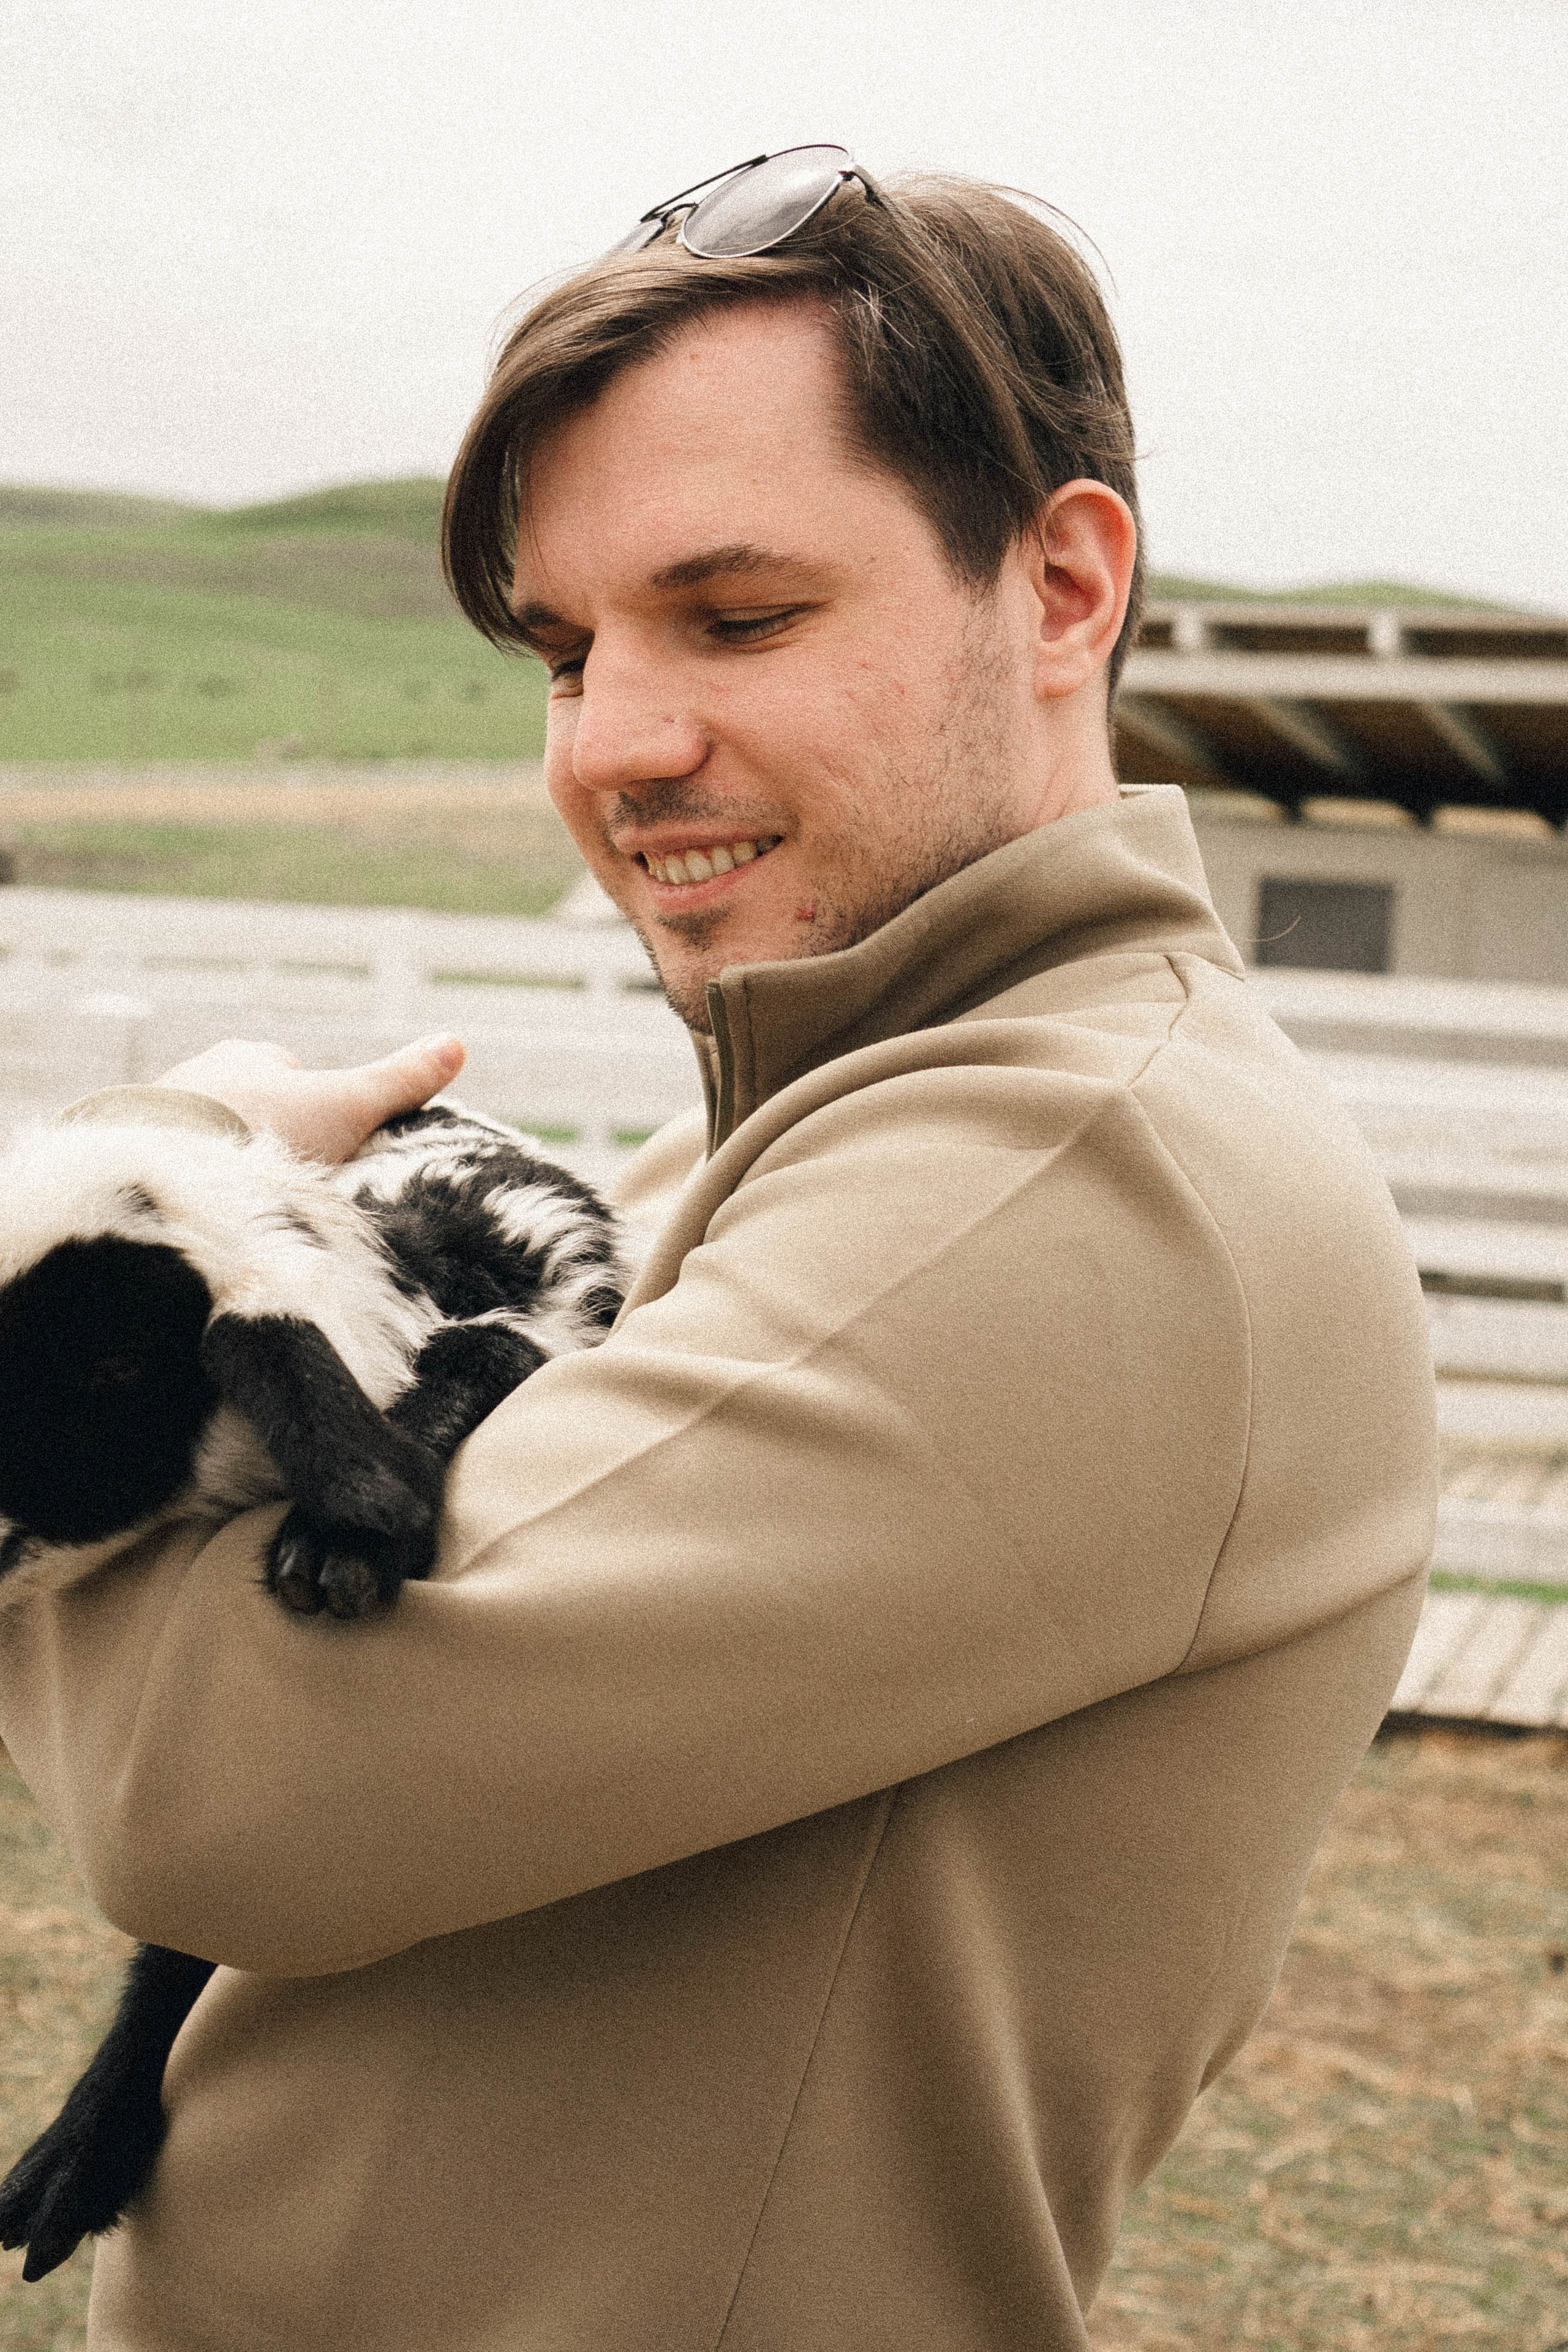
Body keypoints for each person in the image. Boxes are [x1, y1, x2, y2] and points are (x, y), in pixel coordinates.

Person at [0, 153, 1436, 2349]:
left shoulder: (1073, 1172)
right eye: (567, 650)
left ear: (1061, 589)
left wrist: (168, 1188)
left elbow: (231, 1799)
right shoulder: (808, 1145)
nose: (613, 744)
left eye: (739, 618)